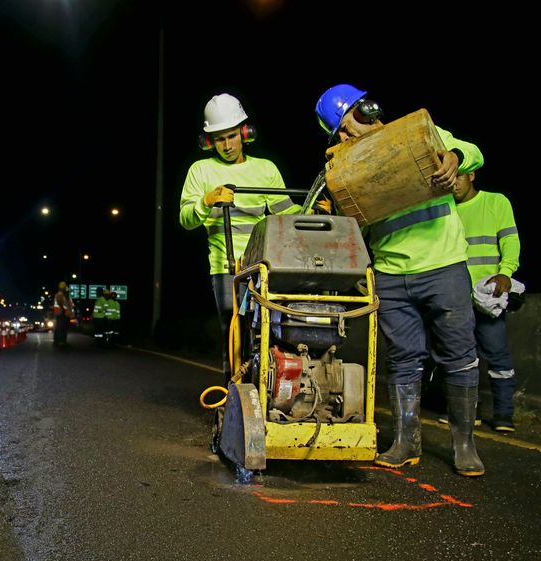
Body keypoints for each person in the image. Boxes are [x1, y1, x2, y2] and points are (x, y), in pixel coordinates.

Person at [315, 84, 485, 476]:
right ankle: (406, 442)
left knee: (458, 356)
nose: (349, 134)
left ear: (370, 110)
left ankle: (464, 444)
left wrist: (454, 156)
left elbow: (473, 150)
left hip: (442, 265)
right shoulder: (346, 166)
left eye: (353, 120)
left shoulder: (415, 135)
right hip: (391, 274)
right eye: (340, 131)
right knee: (403, 359)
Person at [180, 93, 300, 383]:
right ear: (210, 141)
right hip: (225, 267)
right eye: (219, 139)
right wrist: (206, 201)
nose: (227, 145)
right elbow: (185, 220)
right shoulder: (201, 170)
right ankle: (231, 396)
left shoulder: (266, 168)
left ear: (245, 133)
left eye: (232, 136)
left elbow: (286, 213)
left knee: (270, 329)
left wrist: (310, 210)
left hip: (263, 265)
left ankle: (268, 390)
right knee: (232, 332)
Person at [452, 170, 521, 432]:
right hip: (456, 297)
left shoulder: (496, 202)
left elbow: (510, 239)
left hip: (488, 296)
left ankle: (504, 414)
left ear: (471, 175)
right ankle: (470, 412)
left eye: (458, 175)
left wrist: (506, 272)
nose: (454, 182)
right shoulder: (447, 209)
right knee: (462, 358)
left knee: (497, 353)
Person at [52, 280, 75, 346]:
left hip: (62, 313)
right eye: (65, 288)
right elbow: (60, 303)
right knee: (62, 328)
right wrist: (63, 309)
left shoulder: (64, 295)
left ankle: (58, 341)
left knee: (60, 327)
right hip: (62, 313)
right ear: (63, 288)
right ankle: (61, 341)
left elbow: (68, 304)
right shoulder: (60, 294)